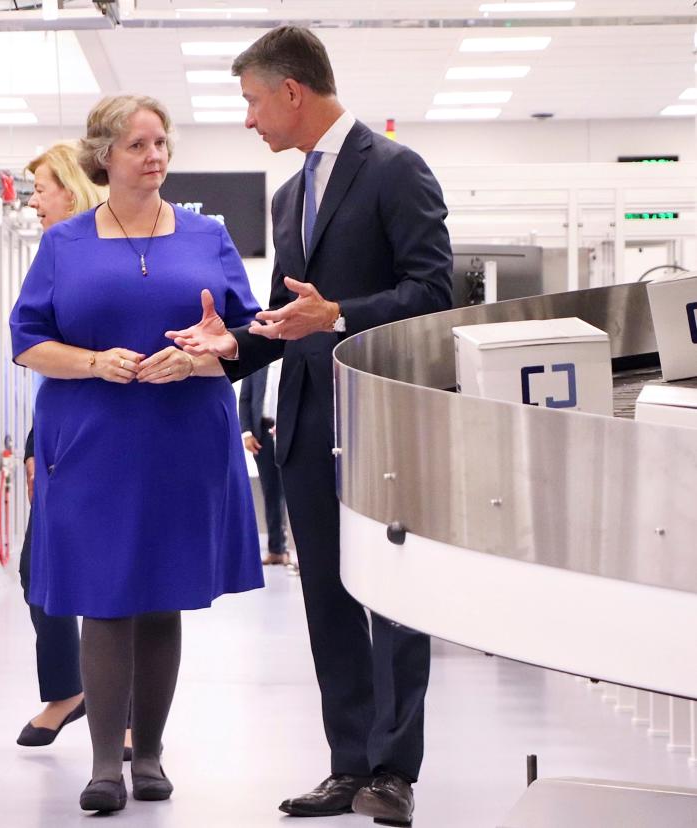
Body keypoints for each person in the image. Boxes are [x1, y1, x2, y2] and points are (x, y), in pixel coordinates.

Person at [167, 26, 453, 826]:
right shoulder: (289, 195)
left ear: (292, 91)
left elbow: (434, 296)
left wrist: (343, 316)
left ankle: (394, 771)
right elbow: (287, 319)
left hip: (384, 426)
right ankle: (348, 763)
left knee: (394, 602)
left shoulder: (397, 171)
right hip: (305, 428)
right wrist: (230, 348)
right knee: (326, 598)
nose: (251, 120)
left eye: (254, 101)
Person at [10, 94, 264, 814]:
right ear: (104, 156)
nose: (155, 157)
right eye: (138, 145)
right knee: (104, 598)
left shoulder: (208, 236)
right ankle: (101, 765)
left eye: (162, 143)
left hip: (182, 436)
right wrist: (94, 363)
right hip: (92, 438)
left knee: (161, 597)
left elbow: (244, 340)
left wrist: (201, 359)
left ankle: (147, 752)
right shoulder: (65, 244)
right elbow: (28, 341)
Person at [14, 142, 106, 750]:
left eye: (41, 189)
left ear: (70, 189)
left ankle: (123, 716)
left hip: (110, 426)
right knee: (37, 568)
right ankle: (69, 689)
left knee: (112, 570)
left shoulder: (101, 255)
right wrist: (30, 441)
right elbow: (36, 346)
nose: (35, 202)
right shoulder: (56, 253)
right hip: (61, 426)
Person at [238, 363, 294, 568]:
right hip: (262, 434)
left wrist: (289, 424)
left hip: (289, 430)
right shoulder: (257, 363)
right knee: (271, 491)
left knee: (294, 491)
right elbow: (244, 399)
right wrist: (247, 433)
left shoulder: (292, 361)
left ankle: (298, 551)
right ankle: (276, 549)